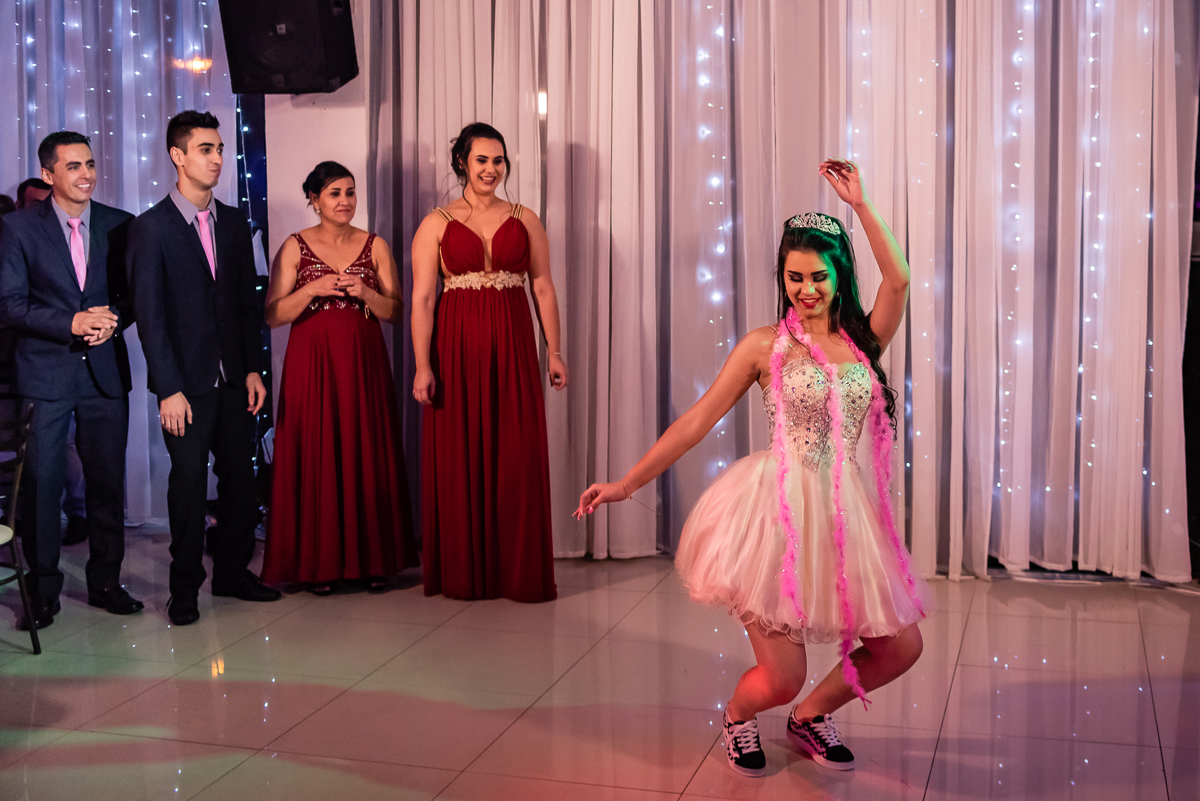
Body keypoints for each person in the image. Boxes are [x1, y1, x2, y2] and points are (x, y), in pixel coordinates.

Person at [576, 159, 932, 778]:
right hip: (774, 514)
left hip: (844, 515)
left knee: (901, 646)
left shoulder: (863, 341)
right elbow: (695, 422)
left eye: (818, 277)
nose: (806, 289)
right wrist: (626, 484)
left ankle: (810, 717)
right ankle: (739, 717)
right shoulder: (764, 346)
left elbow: (898, 280)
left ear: (839, 276)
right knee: (781, 677)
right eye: (794, 277)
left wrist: (862, 207)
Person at [126, 110, 280, 626]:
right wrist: (168, 388)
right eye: (206, 150)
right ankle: (185, 587)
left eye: (219, 150)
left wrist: (253, 369)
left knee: (240, 480)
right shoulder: (150, 228)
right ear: (178, 155)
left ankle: (233, 574)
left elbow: (244, 305)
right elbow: (150, 317)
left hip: (235, 380)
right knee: (189, 485)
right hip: (185, 387)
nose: (217, 159)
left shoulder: (233, 222)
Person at [411, 122, 568, 603]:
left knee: (516, 455)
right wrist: (422, 365)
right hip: (455, 350)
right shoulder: (436, 222)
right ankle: (464, 570)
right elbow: (423, 299)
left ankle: (516, 572)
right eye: (482, 160)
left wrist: (554, 351)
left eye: (498, 160)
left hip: (513, 346)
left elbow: (542, 286)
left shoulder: (525, 218)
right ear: (462, 162)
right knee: (460, 455)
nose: (491, 169)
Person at [0, 131, 141, 630]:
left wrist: (113, 321)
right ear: (48, 174)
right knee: (43, 487)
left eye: (90, 164)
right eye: (74, 166)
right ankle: (42, 592)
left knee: (107, 483)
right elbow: (9, 305)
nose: (87, 174)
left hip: (105, 374)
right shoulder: (17, 228)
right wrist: (72, 322)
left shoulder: (120, 224)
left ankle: (106, 582)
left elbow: (134, 296)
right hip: (45, 374)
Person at [259, 161, 416, 594]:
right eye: (334, 193)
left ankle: (375, 561)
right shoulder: (295, 247)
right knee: (317, 449)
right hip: (312, 366)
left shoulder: (375, 245)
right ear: (314, 200)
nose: (345, 201)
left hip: (364, 365)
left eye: (350, 192)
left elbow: (396, 311)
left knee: (367, 448)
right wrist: (312, 289)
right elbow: (272, 315)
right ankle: (320, 564)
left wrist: (366, 292)